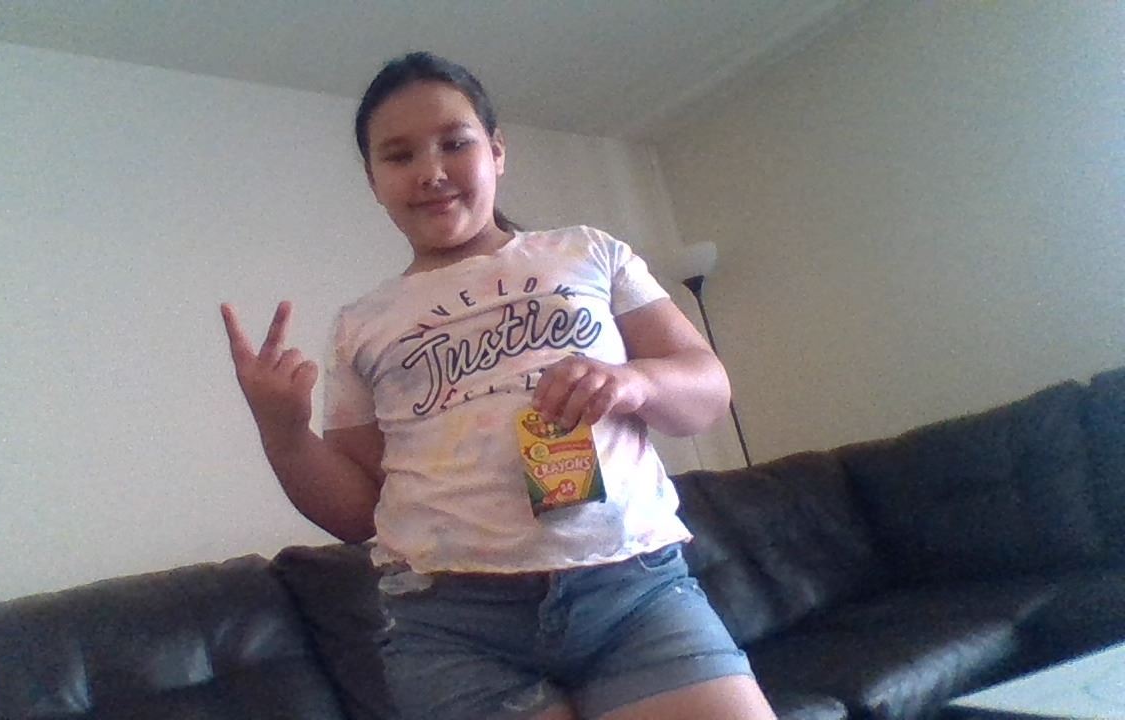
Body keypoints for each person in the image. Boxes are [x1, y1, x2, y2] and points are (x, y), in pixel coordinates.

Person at [220, 51, 777, 720]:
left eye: (455, 143)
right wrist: (283, 434)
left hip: (635, 594)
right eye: (399, 156)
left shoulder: (588, 252)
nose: (431, 171)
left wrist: (631, 382)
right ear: (374, 182)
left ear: (497, 151)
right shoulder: (359, 325)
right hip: (451, 628)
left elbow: (707, 390)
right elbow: (360, 512)